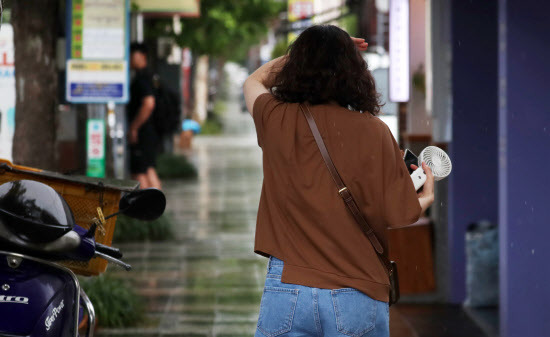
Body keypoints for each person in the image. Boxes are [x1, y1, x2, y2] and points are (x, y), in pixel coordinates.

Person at [243, 25, 435, 337]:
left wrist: (299, 58)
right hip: (357, 289)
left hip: (288, 287)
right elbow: (400, 213)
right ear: (354, 72)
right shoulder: (375, 132)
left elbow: (255, 81)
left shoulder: (276, 119)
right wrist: (423, 200)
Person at [127, 42, 161, 189]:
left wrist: (134, 128)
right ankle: (158, 208)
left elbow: (149, 103)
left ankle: (148, 210)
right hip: (151, 131)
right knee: (148, 169)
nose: (128, 58)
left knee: (139, 172)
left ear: (142, 55)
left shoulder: (142, 78)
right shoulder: (151, 76)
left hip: (143, 131)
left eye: (131, 54)